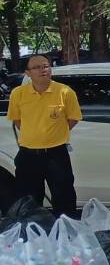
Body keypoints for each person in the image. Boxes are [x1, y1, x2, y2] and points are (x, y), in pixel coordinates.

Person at [6, 54, 81, 217]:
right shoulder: (18, 94)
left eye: (46, 66)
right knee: (29, 201)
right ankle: (33, 231)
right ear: (27, 73)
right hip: (28, 155)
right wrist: (36, 134)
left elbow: (73, 118)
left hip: (56, 154)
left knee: (64, 198)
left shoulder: (65, 92)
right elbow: (17, 120)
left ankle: (65, 230)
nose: (43, 70)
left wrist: (54, 134)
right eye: (37, 67)